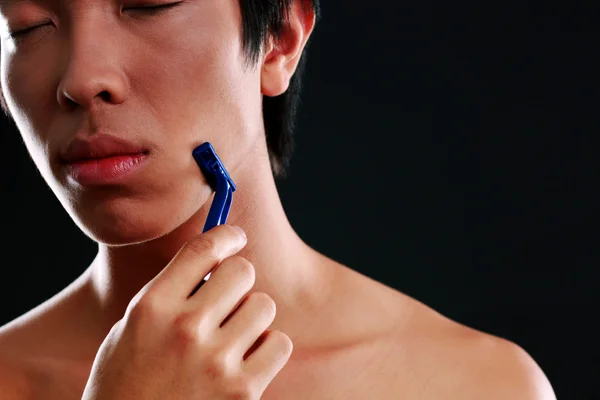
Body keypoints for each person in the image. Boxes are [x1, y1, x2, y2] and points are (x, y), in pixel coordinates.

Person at [0, 0, 556, 398]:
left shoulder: (482, 386)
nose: (80, 77)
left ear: (280, 39)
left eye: (147, 4)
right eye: (27, 28)